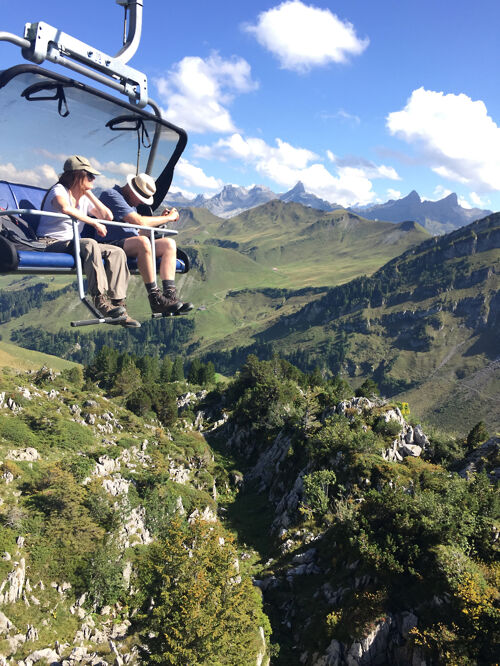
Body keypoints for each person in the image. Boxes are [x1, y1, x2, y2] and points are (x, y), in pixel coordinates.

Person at [38, 155, 139, 327]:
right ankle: (101, 301)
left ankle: (118, 304)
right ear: (77, 175)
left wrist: (89, 193)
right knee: (90, 243)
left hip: (72, 243)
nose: (93, 179)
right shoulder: (59, 190)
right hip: (51, 241)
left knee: (117, 252)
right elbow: (65, 208)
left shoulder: (84, 197)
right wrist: (92, 221)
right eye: (90, 176)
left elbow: (107, 216)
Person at [98, 173, 193, 315]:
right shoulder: (111, 195)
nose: (142, 202)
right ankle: (155, 298)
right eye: (141, 198)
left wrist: (161, 219)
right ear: (131, 190)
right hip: (109, 243)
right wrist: (168, 218)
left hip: (130, 242)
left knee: (169, 244)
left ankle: (170, 296)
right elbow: (139, 222)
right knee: (143, 243)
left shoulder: (130, 203)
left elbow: (136, 230)